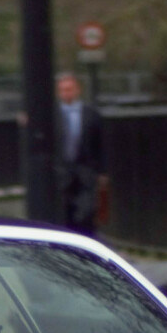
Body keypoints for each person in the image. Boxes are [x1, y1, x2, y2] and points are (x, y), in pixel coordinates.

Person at [55, 71, 106, 235]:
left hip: (85, 170)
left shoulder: (91, 114)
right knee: (63, 213)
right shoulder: (51, 115)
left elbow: (101, 143)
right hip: (61, 172)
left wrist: (103, 172)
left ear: (77, 90)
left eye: (69, 89)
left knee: (86, 211)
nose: (66, 93)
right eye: (63, 90)